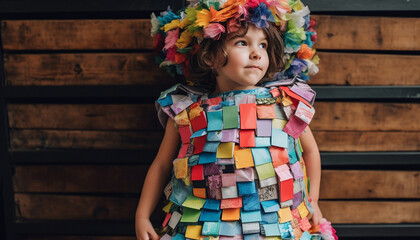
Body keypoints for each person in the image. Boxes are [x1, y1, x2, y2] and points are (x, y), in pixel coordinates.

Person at [136, 1, 337, 240]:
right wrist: (142, 215)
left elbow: (311, 153)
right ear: (210, 57)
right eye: (242, 42)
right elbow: (161, 165)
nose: (256, 53)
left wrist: (313, 202)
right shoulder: (186, 110)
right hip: (205, 229)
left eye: (262, 44)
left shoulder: (286, 103)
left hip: (278, 228)